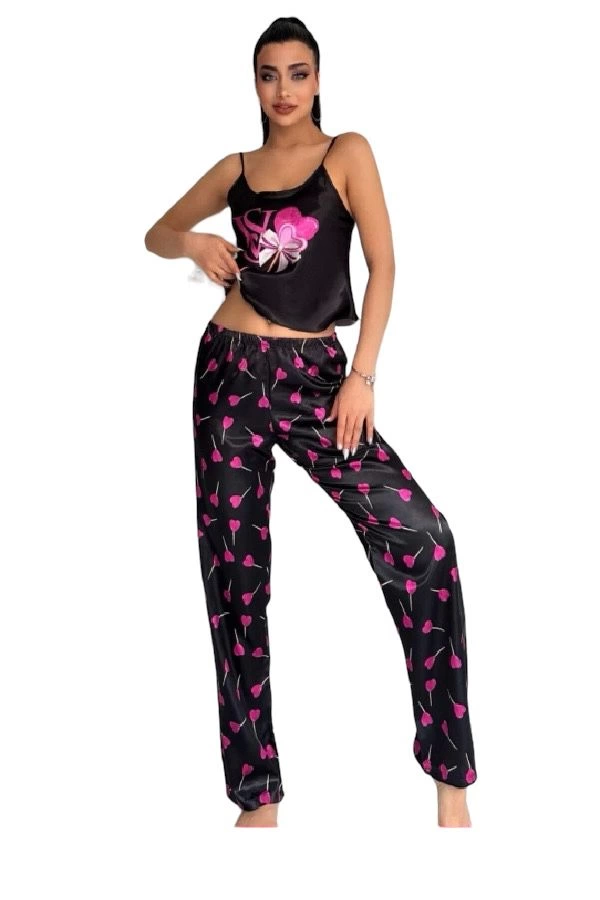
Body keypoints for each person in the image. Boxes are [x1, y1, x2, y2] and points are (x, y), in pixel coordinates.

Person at [144, 16, 477, 828]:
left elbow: (385, 264)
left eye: (298, 73)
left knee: (425, 538)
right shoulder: (236, 169)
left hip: (319, 380)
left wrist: (362, 374)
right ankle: (256, 798)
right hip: (227, 372)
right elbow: (154, 234)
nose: (284, 89)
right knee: (235, 578)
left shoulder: (346, 152)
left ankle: (450, 781)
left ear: (318, 79)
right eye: (269, 74)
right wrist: (192, 244)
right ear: (255, 83)